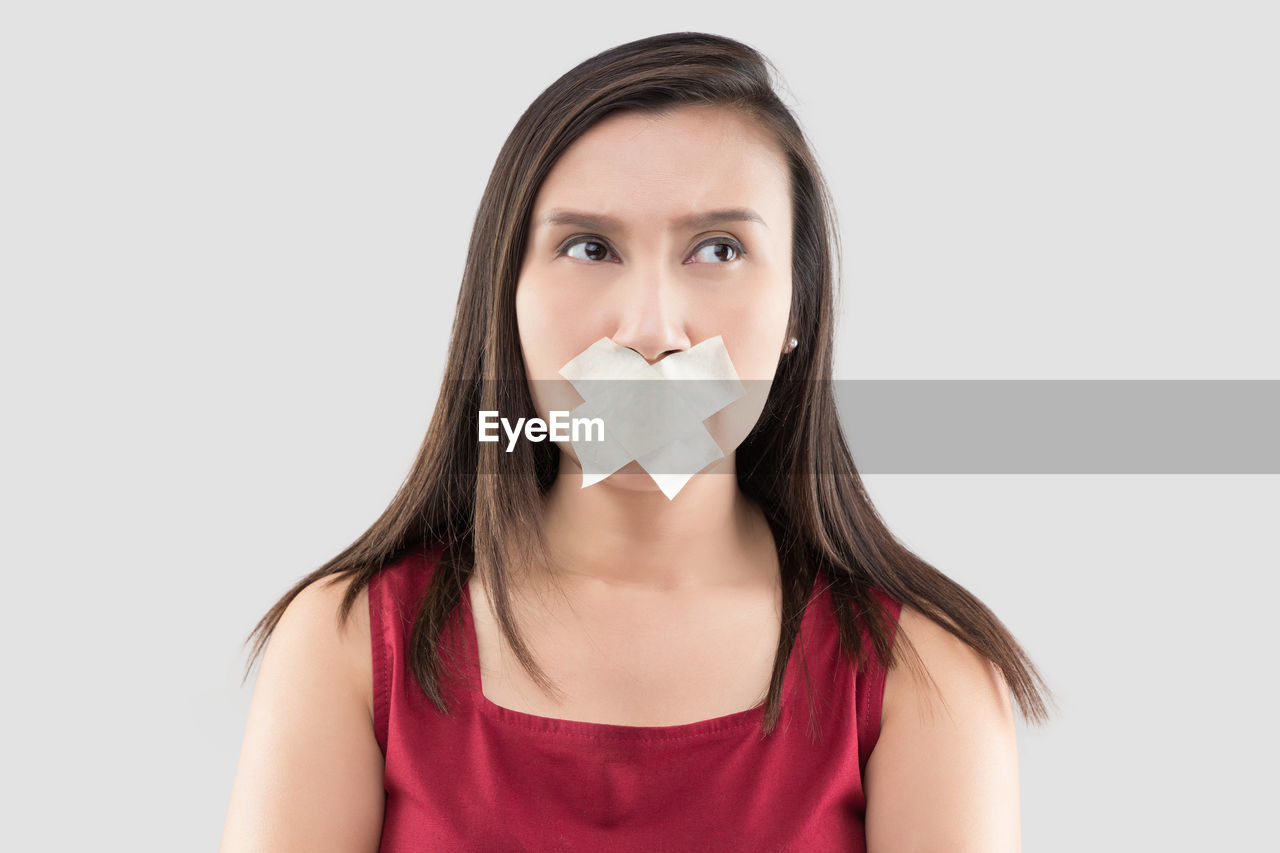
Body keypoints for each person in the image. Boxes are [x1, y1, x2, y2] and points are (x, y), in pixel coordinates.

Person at [220, 31, 1052, 852]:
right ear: (504, 297)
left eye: (718, 249)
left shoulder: (923, 673)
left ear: (798, 308)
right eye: (589, 247)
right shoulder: (348, 644)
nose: (652, 331)